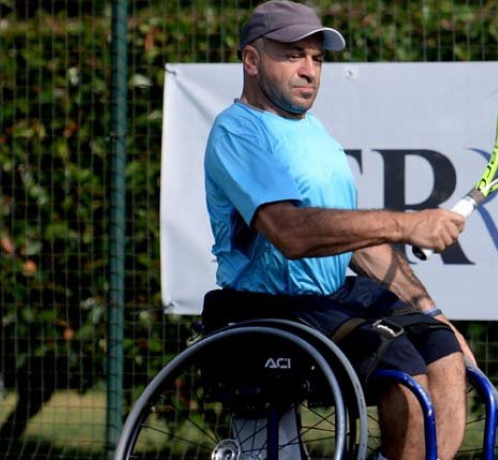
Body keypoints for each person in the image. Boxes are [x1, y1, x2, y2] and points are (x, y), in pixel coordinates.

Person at [203, 1, 473, 458]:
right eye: (292, 55)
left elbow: (360, 246)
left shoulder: (318, 136)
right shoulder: (237, 131)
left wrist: (432, 311)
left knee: (445, 353)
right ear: (251, 61)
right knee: (405, 374)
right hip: (269, 309)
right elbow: (290, 233)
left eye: (317, 58)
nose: (309, 70)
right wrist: (408, 224)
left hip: (331, 302)